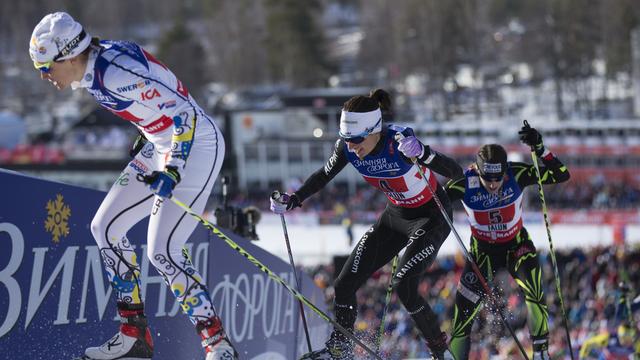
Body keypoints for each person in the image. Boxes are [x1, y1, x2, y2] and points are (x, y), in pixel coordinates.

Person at [29, 12, 237, 360]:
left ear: (69, 55)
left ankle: (217, 343)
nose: (45, 77)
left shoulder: (114, 72)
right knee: (105, 227)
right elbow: (157, 99)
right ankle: (134, 335)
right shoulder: (94, 70)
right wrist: (148, 137)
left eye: (47, 67)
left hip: (195, 145)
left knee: (162, 251)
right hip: (161, 146)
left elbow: (185, 113)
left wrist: (172, 169)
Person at [270, 89, 463, 360]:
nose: (352, 147)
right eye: (346, 139)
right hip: (396, 216)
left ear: (375, 130)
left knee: (404, 286)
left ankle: (441, 352)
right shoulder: (347, 150)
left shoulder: (399, 142)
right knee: (343, 284)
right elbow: (323, 175)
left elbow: (455, 172)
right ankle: (340, 350)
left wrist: (424, 153)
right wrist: (295, 199)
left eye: (357, 140)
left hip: (431, 216)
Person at [444, 125, 571, 360]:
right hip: (483, 253)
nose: (493, 185)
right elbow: (434, 204)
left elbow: (561, 174)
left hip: (516, 245)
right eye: (487, 179)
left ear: (505, 171)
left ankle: (541, 353)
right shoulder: (464, 182)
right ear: (477, 171)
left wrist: (541, 149)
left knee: (535, 291)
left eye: (498, 178)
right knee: (463, 313)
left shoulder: (517, 173)